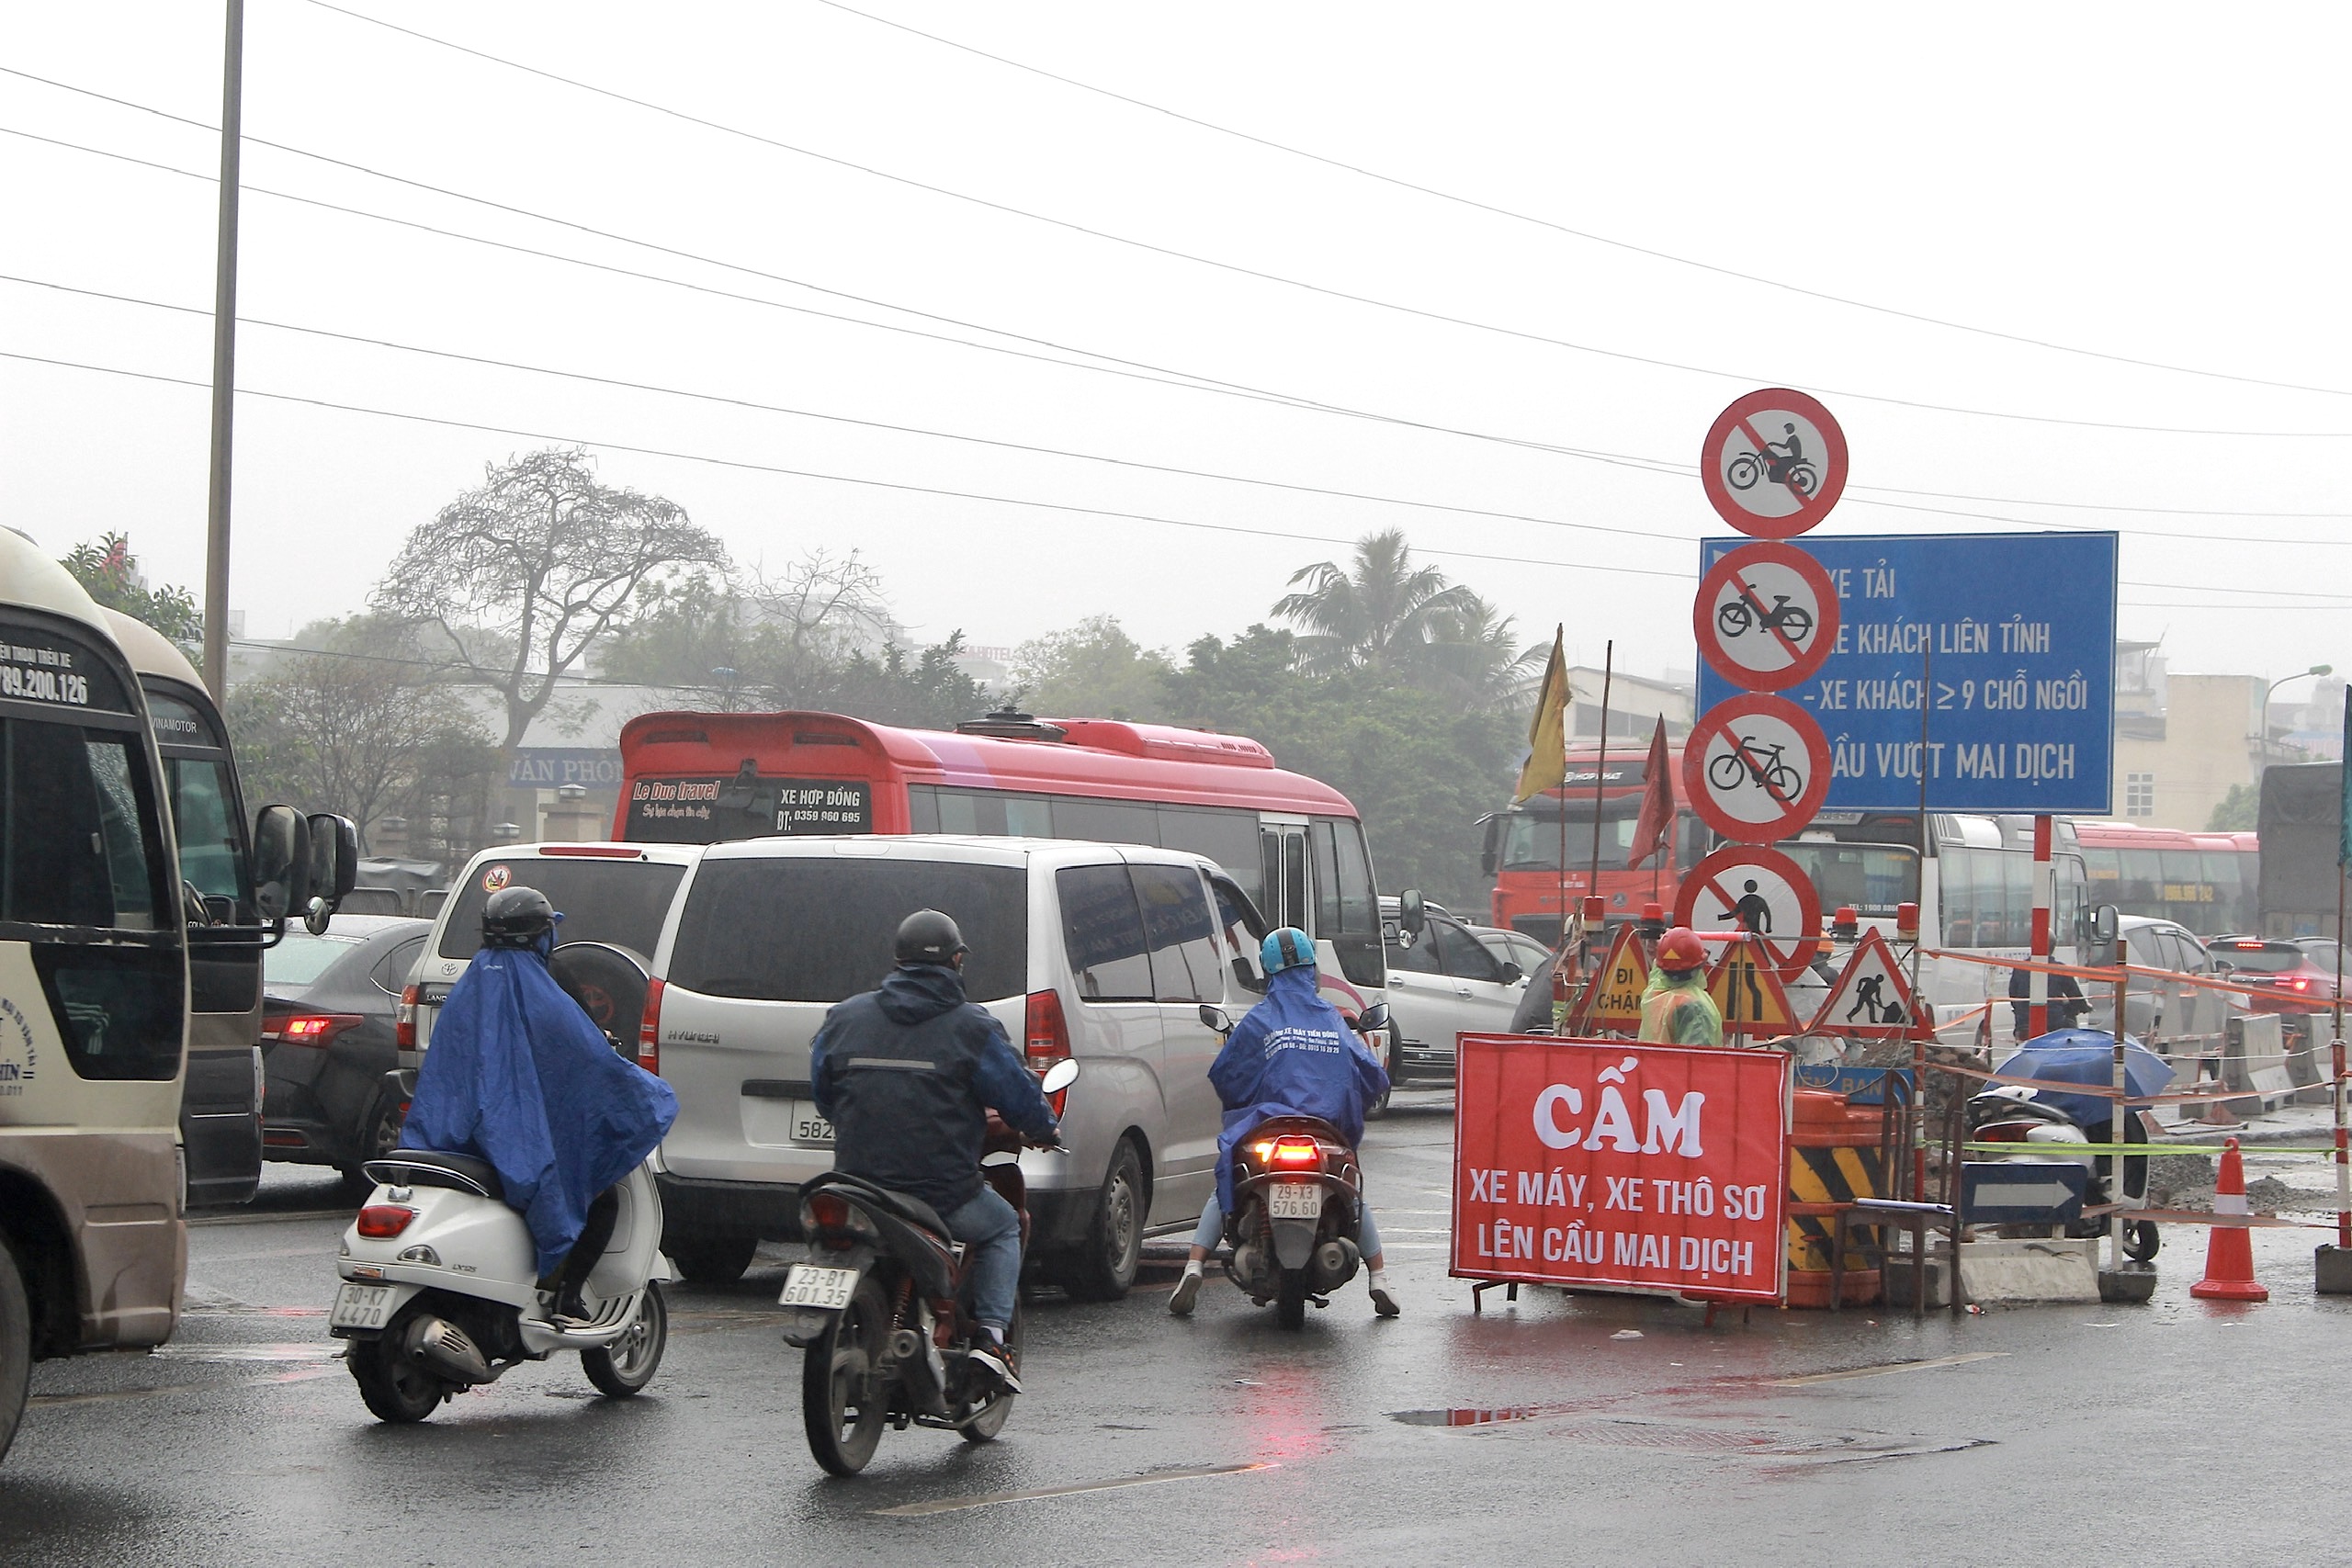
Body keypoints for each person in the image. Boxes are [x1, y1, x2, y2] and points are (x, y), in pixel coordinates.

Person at [401, 886, 679, 1325]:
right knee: (602, 1198)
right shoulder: (548, 985)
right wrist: (645, 1093)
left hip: (451, 1136)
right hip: (515, 1139)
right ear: (542, 935)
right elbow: (585, 1057)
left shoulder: (471, 983)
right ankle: (567, 1294)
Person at [809, 909, 1057, 1389]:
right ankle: (991, 1340)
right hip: (940, 1192)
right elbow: (1021, 1097)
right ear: (957, 961)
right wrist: (1044, 1128)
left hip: (856, 1186)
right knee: (1003, 1226)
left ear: (898, 960)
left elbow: (824, 1094)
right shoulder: (973, 1028)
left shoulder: (844, 1017)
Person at [1169, 928, 1398, 1319]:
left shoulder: (1261, 1019)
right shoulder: (1332, 1018)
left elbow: (1228, 1077)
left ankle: (1193, 1267)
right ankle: (1379, 1278)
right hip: (1325, 1131)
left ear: (1268, 972)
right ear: (1312, 969)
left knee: (1226, 1181)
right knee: (1351, 1190)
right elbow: (1371, 1076)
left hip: (1268, 1126)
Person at [1637, 926, 1724, 1045]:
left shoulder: (1653, 994)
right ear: (1699, 966)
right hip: (1672, 1059)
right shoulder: (1695, 1008)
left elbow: (1661, 969)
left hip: (1649, 1057)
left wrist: (1668, 944)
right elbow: (1696, 1053)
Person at [2008, 963, 2089, 1038]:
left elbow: (2013, 995)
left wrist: (2020, 1010)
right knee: (2070, 1032)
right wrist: (2084, 1007)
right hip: (2053, 1021)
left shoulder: (2020, 968)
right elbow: (2074, 995)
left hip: (2024, 1022)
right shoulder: (2059, 968)